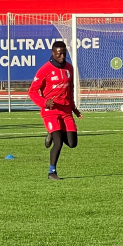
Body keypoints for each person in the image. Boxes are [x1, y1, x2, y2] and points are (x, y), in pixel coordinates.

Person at [28, 41, 81, 180]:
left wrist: (74, 108)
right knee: (58, 143)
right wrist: (45, 102)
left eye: (64, 53)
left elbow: (70, 89)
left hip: (66, 111)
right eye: (59, 54)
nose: (62, 56)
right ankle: (52, 172)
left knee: (72, 143)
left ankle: (51, 133)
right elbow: (32, 91)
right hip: (50, 111)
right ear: (53, 53)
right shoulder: (44, 70)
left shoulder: (69, 68)